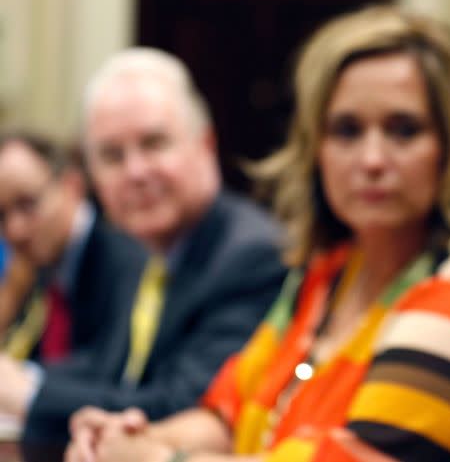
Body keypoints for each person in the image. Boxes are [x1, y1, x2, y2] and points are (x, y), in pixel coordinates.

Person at [65, 6, 450, 462]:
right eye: (346, 131)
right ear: (315, 150)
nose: (372, 160)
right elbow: (228, 415)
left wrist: (150, 457)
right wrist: (123, 437)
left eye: (403, 129)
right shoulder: (330, 273)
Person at [0, 48, 287, 448]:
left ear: (204, 144)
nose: (135, 172)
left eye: (154, 143)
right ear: (91, 173)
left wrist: (28, 394)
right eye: (112, 155)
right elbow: (111, 371)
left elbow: (185, 406)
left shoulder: (250, 256)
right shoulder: (149, 247)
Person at [0, 133, 143, 369]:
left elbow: (114, 371)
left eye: (27, 204)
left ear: (72, 186)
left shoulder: (124, 261)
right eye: (1, 216)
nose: (15, 230)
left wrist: (27, 381)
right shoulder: (36, 268)